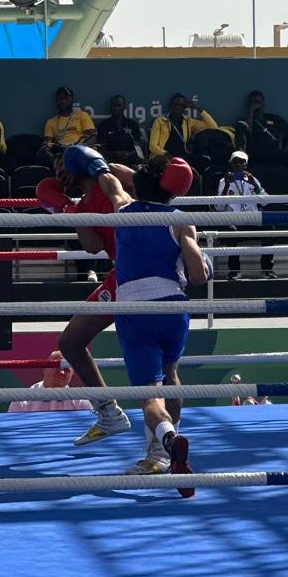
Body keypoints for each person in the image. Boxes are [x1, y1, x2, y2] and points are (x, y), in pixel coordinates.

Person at [101, 152, 208, 495]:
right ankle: (164, 453)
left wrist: (98, 163)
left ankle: (168, 440)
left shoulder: (123, 211)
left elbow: (113, 184)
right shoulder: (180, 218)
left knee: (150, 397)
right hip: (173, 307)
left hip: (135, 310)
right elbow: (198, 276)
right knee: (172, 375)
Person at [38, 146, 134, 448]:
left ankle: (165, 441)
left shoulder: (114, 173)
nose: (59, 174)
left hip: (148, 270)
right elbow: (92, 247)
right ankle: (108, 411)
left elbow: (154, 189)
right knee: (69, 342)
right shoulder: (82, 203)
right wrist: (70, 211)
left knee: (158, 367)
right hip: (120, 277)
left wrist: (105, 169)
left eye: (61, 166)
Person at [216, 150, 274, 279]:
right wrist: (226, 185)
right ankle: (235, 271)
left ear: (246, 165)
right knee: (230, 232)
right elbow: (218, 207)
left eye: (242, 163)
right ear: (230, 164)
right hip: (235, 220)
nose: (239, 165)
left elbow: (266, 202)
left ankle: (267, 269)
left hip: (253, 218)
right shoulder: (223, 181)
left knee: (270, 228)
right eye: (236, 162)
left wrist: (255, 185)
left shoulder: (253, 180)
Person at [6, 351, 93, 414]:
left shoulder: (81, 402)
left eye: (67, 369)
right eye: (57, 367)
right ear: (44, 369)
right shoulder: (22, 400)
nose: (61, 372)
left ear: (72, 374)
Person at [235, 90, 288, 170]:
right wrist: (251, 111)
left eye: (258, 102)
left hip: (275, 153)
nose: (256, 105)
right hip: (256, 154)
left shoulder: (274, 118)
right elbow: (248, 131)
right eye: (252, 103)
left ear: (263, 104)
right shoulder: (242, 122)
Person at [148, 92, 219, 160]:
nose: (177, 107)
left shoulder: (188, 121)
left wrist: (198, 109)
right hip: (163, 158)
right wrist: (166, 154)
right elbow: (152, 146)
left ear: (184, 108)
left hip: (183, 158)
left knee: (203, 160)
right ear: (170, 106)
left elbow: (213, 127)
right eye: (175, 104)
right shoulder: (160, 121)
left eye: (181, 105)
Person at [41, 85, 96, 155]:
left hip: (80, 151)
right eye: (60, 98)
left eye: (66, 98)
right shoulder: (51, 122)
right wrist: (51, 147)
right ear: (56, 101)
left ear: (72, 100)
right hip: (61, 153)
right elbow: (47, 143)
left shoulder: (82, 115)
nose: (63, 100)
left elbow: (92, 137)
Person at [96, 94, 146, 164]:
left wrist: (128, 154)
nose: (116, 108)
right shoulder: (103, 125)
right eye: (114, 105)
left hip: (131, 162)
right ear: (111, 107)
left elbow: (138, 147)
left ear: (124, 107)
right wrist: (114, 154)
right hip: (111, 162)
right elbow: (101, 149)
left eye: (119, 105)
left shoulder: (132, 124)